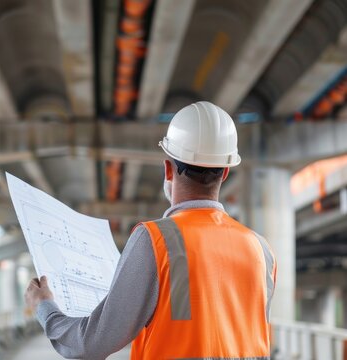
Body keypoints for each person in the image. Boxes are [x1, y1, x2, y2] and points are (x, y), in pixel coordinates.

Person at [25, 101, 277, 360]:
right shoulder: (261, 249)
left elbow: (91, 343)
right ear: (225, 172)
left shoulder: (157, 241)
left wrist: (45, 307)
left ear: (168, 168)